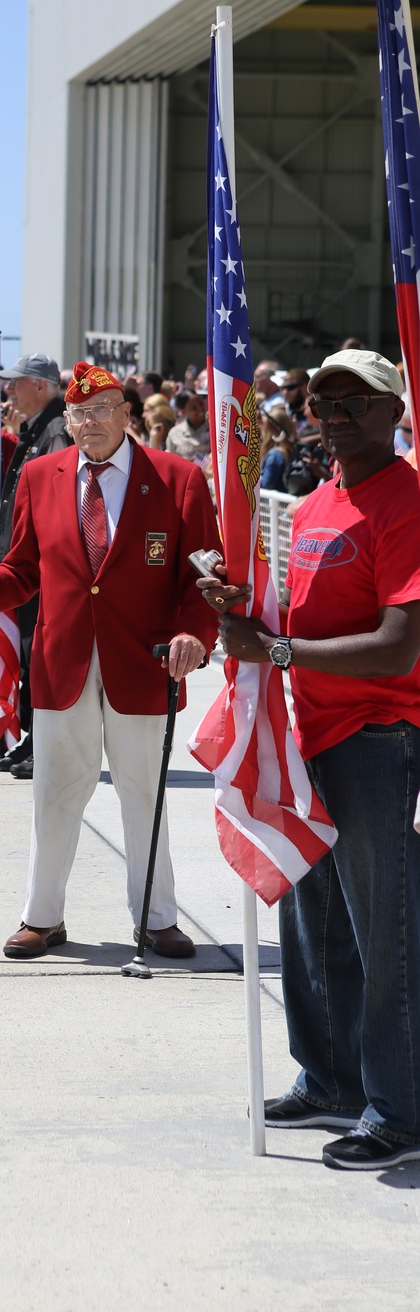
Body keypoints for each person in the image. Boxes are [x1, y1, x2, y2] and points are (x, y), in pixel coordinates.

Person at [0, 362, 218, 959]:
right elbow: (18, 570)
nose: (91, 423)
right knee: (53, 795)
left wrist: (195, 634)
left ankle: (157, 919)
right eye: (80, 413)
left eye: (104, 409)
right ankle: (42, 916)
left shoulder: (179, 479)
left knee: (144, 793)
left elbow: (202, 577)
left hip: (147, 664)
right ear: (67, 420)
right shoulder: (38, 475)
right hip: (62, 664)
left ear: (128, 414)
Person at [206, 348, 420, 1171]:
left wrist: (281, 649)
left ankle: (399, 1112)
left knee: (385, 934)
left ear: (392, 411)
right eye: (324, 399)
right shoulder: (321, 499)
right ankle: (328, 1079)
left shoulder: (405, 500)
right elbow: (298, 609)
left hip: (379, 742)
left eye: (355, 402)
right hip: (312, 736)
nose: (334, 414)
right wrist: (246, 612)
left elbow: (399, 647)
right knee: (314, 924)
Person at [0, 353, 72, 779]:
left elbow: (58, 507)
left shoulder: (57, 430)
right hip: (25, 570)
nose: (8, 390)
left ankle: (45, 748)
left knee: (41, 663)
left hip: (42, 574)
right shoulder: (38, 429)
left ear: (40, 385)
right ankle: (32, 741)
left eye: (15, 382)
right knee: (29, 661)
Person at [165, 389, 210, 462]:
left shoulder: (216, 429)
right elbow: (171, 460)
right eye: (193, 408)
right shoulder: (175, 433)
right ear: (182, 410)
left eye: (201, 404)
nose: (200, 409)